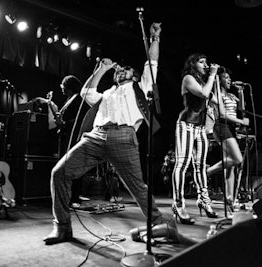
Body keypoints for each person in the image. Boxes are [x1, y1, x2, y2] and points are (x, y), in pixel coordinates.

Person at [43, 22, 179, 245]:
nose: (119, 71)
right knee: (59, 172)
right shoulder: (107, 92)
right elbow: (86, 92)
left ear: (134, 75)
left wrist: (155, 39)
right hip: (95, 136)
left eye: (124, 70)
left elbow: (151, 63)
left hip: (123, 137)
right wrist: (102, 70)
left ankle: (160, 224)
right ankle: (62, 228)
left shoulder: (140, 87)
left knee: (137, 187)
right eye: (118, 70)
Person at [171, 53, 219, 225]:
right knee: (182, 163)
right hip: (186, 124)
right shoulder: (188, 78)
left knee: (200, 166)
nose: (206, 64)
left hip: (200, 128)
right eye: (201, 62)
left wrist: (215, 80)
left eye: (206, 62)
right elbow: (205, 95)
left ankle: (204, 200)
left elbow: (216, 100)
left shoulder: (203, 81)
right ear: (192, 64)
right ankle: (178, 204)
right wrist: (213, 75)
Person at [206, 68, 249, 208]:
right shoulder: (216, 94)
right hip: (221, 126)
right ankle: (208, 172)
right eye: (226, 77)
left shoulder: (231, 95)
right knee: (237, 159)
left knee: (229, 167)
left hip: (230, 127)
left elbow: (242, 109)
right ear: (220, 80)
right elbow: (222, 115)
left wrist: (241, 91)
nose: (229, 80)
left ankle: (230, 198)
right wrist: (240, 122)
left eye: (230, 78)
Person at [56, 75, 90, 208]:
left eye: (64, 87)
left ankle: (74, 197)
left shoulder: (79, 99)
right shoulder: (69, 99)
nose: (62, 90)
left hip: (74, 137)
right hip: (66, 136)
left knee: (73, 166)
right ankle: (66, 196)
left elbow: (80, 120)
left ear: (69, 88)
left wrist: (63, 122)